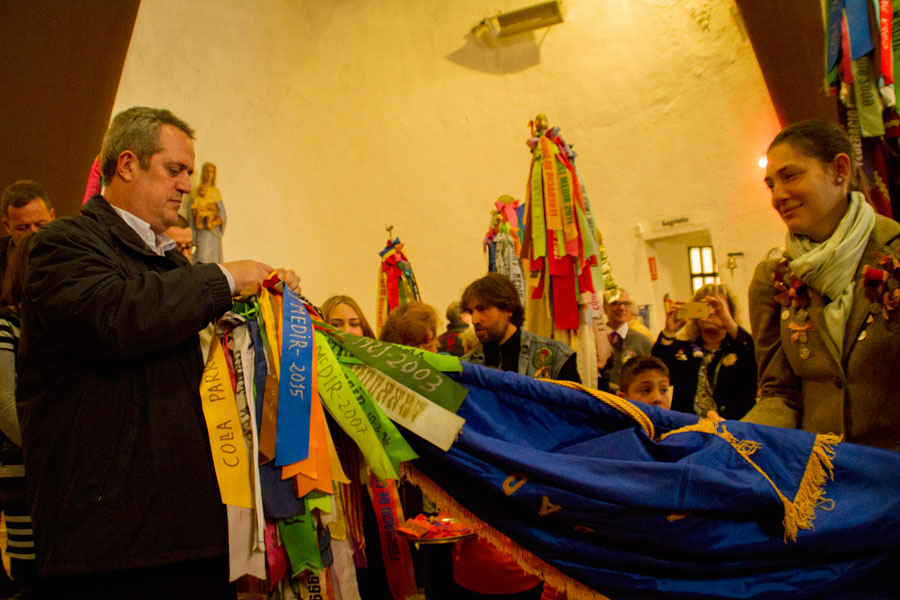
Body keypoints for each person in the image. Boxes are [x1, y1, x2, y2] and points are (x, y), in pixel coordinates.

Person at [17, 106, 300, 598]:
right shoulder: (62, 244)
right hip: (111, 545)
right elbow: (114, 318)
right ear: (128, 164)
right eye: (175, 170)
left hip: (191, 532)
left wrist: (268, 310)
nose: (187, 185)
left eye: (189, 172)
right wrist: (224, 278)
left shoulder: (171, 263)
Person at [744, 119, 900, 450]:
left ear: (840, 171)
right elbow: (780, 395)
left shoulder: (895, 255)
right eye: (771, 185)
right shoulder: (774, 280)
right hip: (821, 473)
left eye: (790, 176)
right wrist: (738, 437)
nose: (778, 196)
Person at [652, 283, 757, 420]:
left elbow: (755, 357)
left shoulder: (741, 347)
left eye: (716, 307)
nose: (711, 312)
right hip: (687, 427)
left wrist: (729, 323)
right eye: (704, 307)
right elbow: (657, 370)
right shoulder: (684, 349)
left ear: (729, 311)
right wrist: (669, 332)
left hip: (733, 427)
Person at [462, 273, 580, 383]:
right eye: (471, 312)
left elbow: (574, 399)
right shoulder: (465, 367)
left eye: (482, 309)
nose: (474, 320)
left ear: (508, 308)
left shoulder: (557, 357)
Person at [0, 236, 36, 593]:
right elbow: (4, 405)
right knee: (31, 576)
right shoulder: (7, 325)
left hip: (69, 475)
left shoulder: (64, 324)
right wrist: (52, 452)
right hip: (26, 466)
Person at [0, 180, 54, 283]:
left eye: (40, 224)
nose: (34, 232)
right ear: (7, 226)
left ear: (52, 217)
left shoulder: (72, 253)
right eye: (23, 228)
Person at [599, 289, 652, 392]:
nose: (622, 308)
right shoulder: (595, 340)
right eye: (615, 303)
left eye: (626, 303)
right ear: (605, 308)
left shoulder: (643, 341)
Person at [182, 161, 226, 264]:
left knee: (213, 259)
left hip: (212, 232)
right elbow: (190, 210)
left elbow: (222, 213)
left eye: (211, 172)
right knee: (201, 256)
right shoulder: (196, 191)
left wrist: (215, 222)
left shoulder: (216, 192)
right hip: (201, 230)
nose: (209, 174)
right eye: (207, 171)